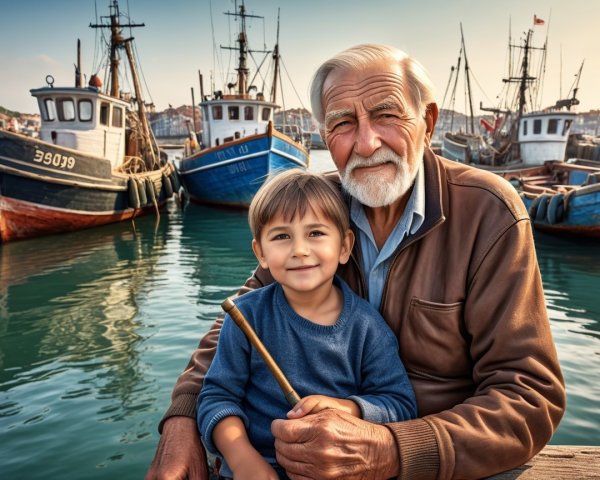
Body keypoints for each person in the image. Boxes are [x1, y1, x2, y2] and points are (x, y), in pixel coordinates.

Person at [147, 44, 565, 480]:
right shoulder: (316, 208)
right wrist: (182, 420)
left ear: (428, 121)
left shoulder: (488, 211)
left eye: (387, 115)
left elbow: (529, 396)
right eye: (343, 123)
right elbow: (240, 319)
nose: (367, 142)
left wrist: (393, 450)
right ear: (325, 137)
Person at [197, 169, 417, 480]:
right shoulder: (246, 318)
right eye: (282, 236)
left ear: (344, 246)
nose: (299, 250)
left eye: (315, 233)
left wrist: (348, 408)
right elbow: (217, 398)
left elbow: (400, 404)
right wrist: (242, 457)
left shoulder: (367, 328)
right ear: (260, 252)